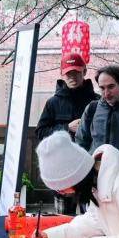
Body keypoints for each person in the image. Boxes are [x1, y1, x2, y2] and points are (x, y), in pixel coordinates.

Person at [36, 53, 98, 214]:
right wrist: (66, 128)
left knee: (93, 220)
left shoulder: (97, 101)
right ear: (62, 74)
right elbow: (41, 132)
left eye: (76, 72)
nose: (72, 77)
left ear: (84, 72)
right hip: (62, 171)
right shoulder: (53, 102)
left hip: (90, 169)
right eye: (68, 73)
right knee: (63, 219)